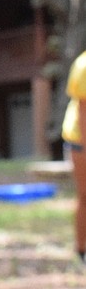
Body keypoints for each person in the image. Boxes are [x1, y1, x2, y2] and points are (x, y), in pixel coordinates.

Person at [62, 48, 86, 267]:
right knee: (84, 195)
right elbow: (83, 111)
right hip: (81, 140)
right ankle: (81, 251)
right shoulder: (83, 65)